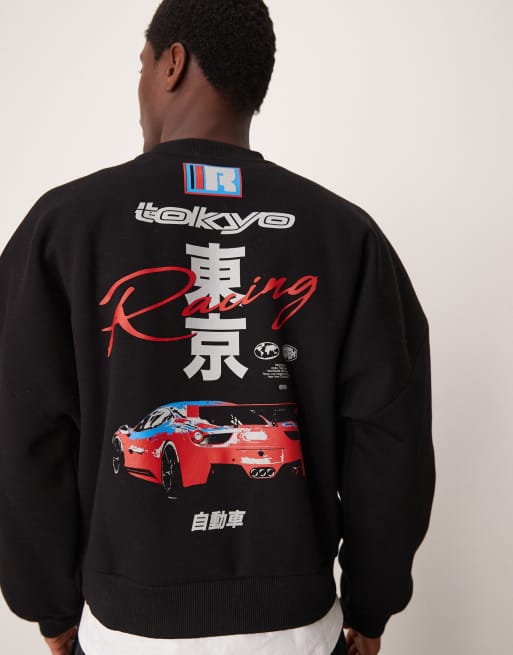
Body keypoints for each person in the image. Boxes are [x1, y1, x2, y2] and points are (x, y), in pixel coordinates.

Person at [0, 1, 436, 655]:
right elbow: (391, 441)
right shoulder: (345, 237)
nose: (140, 90)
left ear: (172, 64)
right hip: (298, 629)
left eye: (142, 66)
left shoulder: (64, 227)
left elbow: (21, 431)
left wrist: (49, 607)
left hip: (126, 632)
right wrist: (371, 606)